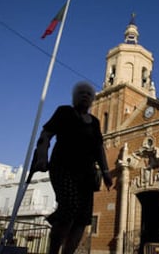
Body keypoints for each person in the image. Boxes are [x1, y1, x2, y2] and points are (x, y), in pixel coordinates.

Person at [31, 81, 113, 254]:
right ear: (75, 97)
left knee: (82, 219)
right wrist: (42, 156)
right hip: (63, 168)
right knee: (69, 207)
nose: (85, 96)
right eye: (81, 93)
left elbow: (99, 148)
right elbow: (46, 135)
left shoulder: (95, 122)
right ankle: (53, 250)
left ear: (92, 100)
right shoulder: (64, 112)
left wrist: (106, 172)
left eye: (89, 94)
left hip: (87, 175)